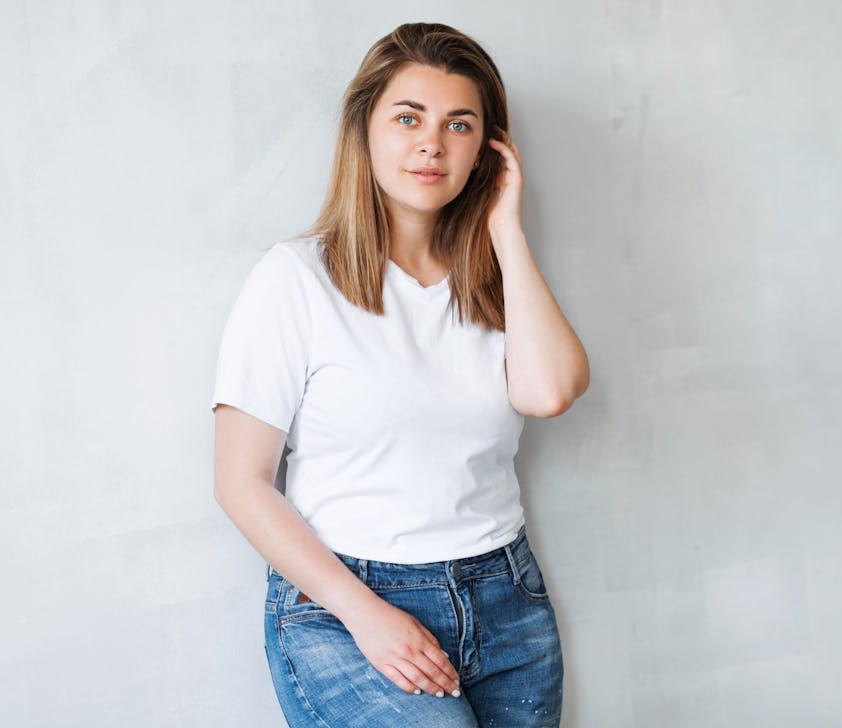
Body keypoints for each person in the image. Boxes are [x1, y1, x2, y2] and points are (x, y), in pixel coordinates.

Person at [211, 21, 589, 727]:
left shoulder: (494, 283)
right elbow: (240, 482)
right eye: (408, 118)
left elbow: (551, 391)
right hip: (343, 605)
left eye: (459, 125)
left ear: (487, 151)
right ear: (366, 130)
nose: (431, 143)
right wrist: (367, 615)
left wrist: (507, 228)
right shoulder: (295, 280)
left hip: (506, 601)